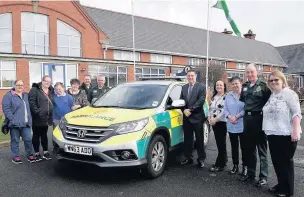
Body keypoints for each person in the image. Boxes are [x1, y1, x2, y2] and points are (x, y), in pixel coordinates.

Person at [262, 70, 302, 197]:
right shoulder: (272, 95)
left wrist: (295, 131)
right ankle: (281, 185)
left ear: (282, 80)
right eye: (271, 80)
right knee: (277, 162)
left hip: (286, 134)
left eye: (276, 80)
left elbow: (296, 113)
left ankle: (288, 191)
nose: (273, 82)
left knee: (286, 163)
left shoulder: (289, 94)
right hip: (273, 134)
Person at [239, 63, 271, 187]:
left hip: (259, 118)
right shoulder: (245, 86)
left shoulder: (263, 86)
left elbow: (269, 101)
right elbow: (243, 100)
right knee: (249, 149)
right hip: (247, 119)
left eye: (252, 72)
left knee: (261, 149)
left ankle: (263, 176)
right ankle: (251, 174)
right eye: (248, 72)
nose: (250, 74)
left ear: (256, 72)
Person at [2, 80, 35, 164]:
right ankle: (15, 156)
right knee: (15, 140)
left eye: (21, 85)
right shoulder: (9, 96)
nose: (20, 86)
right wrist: (13, 119)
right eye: (18, 85)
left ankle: (29, 154)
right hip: (14, 124)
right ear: (14, 85)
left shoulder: (26, 95)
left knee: (28, 139)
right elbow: (6, 109)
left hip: (26, 123)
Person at [180, 70, 206, 168]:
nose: (190, 77)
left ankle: (201, 159)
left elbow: (201, 101)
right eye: (188, 76)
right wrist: (183, 110)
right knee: (187, 140)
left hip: (197, 117)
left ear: (195, 76)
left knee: (199, 140)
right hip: (186, 118)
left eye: (192, 75)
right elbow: (181, 101)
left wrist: (189, 110)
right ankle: (188, 158)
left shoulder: (201, 87)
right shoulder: (184, 87)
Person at [28, 75, 54, 161]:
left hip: (47, 118)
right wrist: (37, 112)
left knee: (44, 135)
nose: (47, 83)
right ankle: (37, 153)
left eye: (49, 82)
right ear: (42, 81)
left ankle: (45, 152)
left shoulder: (51, 91)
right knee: (36, 135)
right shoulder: (35, 90)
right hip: (37, 118)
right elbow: (31, 102)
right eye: (46, 81)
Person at [224, 76, 246, 175]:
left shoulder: (245, 95)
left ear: (241, 83)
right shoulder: (228, 96)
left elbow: (247, 108)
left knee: (244, 147)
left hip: (242, 125)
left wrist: (236, 117)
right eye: (233, 84)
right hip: (231, 125)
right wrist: (229, 116)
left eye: (237, 83)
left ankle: (245, 167)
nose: (235, 85)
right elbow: (225, 109)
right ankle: (235, 165)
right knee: (234, 146)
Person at [208, 80, 228, 172]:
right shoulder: (214, 97)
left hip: (221, 122)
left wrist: (216, 119)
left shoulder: (226, 97)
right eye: (217, 85)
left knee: (221, 144)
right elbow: (210, 109)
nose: (219, 86)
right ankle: (224, 160)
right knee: (219, 143)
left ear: (224, 86)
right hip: (214, 123)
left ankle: (220, 164)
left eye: (221, 85)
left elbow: (225, 111)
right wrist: (209, 118)